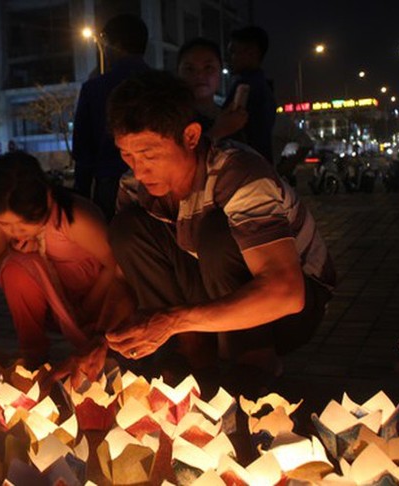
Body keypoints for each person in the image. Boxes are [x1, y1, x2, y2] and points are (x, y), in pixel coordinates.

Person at [91, 71, 335, 382]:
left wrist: (172, 321)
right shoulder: (134, 187)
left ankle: (254, 358)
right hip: (206, 297)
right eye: (128, 155)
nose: (139, 171)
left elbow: (286, 292)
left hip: (291, 307)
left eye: (149, 155)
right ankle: (194, 352)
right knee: (127, 229)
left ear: (191, 137)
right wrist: (101, 342)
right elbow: (123, 279)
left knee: (216, 233)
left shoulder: (239, 173)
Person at [0, 151, 115, 364]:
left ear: (46, 197)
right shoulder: (2, 212)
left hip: (99, 303)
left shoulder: (72, 217)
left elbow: (117, 265)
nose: (15, 231)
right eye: (5, 225)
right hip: (55, 305)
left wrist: (88, 308)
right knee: (15, 269)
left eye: (24, 223)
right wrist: (17, 252)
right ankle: (34, 353)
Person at [72, 14, 150, 221]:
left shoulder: (95, 88)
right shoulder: (163, 85)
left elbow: (83, 150)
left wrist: (81, 196)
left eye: (105, 43)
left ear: (115, 44)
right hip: (157, 181)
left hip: (110, 186)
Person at [176, 37, 248, 142]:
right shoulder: (171, 119)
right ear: (178, 73)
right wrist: (219, 131)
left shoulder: (230, 117)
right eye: (190, 69)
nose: (200, 75)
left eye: (208, 67)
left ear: (220, 71)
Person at [223, 26, 277, 163]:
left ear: (252, 53)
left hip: (245, 167)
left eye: (233, 52)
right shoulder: (264, 87)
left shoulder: (245, 88)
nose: (229, 58)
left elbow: (227, 131)